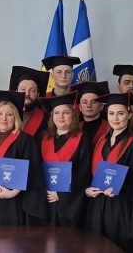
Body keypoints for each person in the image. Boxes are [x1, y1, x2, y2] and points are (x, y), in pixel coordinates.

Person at [84, 93, 133, 249]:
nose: (115, 118)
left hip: (120, 209)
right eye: (111, 113)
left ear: (129, 115)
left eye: (120, 113)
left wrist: (121, 188)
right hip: (96, 206)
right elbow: (90, 174)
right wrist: (87, 190)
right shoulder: (101, 141)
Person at [0, 91, 48, 226]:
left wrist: (12, 193)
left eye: (9, 114)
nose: (3, 118)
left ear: (15, 117)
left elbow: (33, 172)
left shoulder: (24, 140)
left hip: (14, 200)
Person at [37, 91, 92, 227]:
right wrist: (42, 190)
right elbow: (35, 169)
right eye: (56, 113)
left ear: (73, 115)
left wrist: (61, 195)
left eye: (66, 112)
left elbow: (84, 174)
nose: (60, 116)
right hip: (44, 200)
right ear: (52, 116)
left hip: (68, 205)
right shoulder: (41, 138)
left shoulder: (83, 140)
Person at [10, 65, 50, 139]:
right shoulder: (4, 115)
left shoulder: (46, 120)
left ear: (38, 94)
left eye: (32, 90)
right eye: (23, 89)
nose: (27, 94)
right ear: (16, 91)